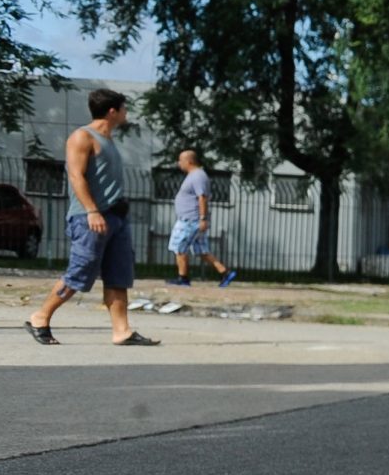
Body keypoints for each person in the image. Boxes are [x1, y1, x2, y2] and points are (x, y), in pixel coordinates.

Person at [25, 87, 156, 346]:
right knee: (80, 272)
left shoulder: (109, 141)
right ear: (112, 111)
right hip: (90, 218)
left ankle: (122, 331)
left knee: (119, 275)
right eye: (123, 108)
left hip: (116, 219)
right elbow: (75, 176)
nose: (125, 113)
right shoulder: (82, 137)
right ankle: (40, 317)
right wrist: (92, 210)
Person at [164, 149, 236, 288]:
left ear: (189, 161)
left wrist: (202, 218)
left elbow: (202, 197)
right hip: (192, 219)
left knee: (179, 247)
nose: (179, 163)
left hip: (190, 220)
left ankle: (183, 278)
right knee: (202, 251)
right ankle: (225, 272)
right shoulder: (194, 175)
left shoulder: (197, 176)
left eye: (181, 160)